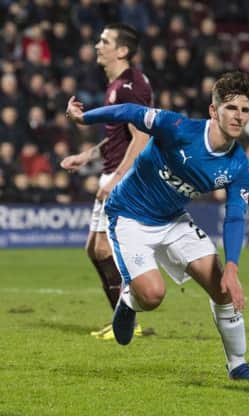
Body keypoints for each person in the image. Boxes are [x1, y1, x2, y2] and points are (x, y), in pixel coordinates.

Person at [65, 71, 249, 384]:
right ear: (213, 111)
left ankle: (238, 365)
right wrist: (85, 119)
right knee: (152, 296)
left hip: (172, 219)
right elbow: (130, 112)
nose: (239, 116)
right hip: (129, 216)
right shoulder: (178, 128)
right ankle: (129, 300)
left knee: (222, 287)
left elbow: (234, 216)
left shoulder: (239, 166)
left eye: (245, 110)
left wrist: (232, 266)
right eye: (231, 108)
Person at [60, 23, 153, 341]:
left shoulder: (130, 86)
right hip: (112, 168)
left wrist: (116, 179)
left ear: (122, 50)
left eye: (104, 40)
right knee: (95, 249)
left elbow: (141, 138)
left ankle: (128, 318)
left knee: (102, 248)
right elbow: (119, 134)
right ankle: (124, 318)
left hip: (123, 174)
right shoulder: (117, 85)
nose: (97, 45)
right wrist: (88, 155)